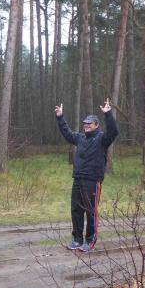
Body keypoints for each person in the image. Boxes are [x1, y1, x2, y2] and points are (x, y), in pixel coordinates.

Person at [55, 98, 119, 253]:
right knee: (76, 210)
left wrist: (108, 114)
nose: (86, 125)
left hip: (92, 180)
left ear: (96, 125)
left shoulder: (102, 139)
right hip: (78, 179)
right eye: (85, 123)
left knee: (91, 211)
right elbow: (67, 133)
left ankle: (90, 241)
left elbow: (114, 131)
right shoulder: (80, 138)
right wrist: (60, 117)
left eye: (89, 123)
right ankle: (77, 239)